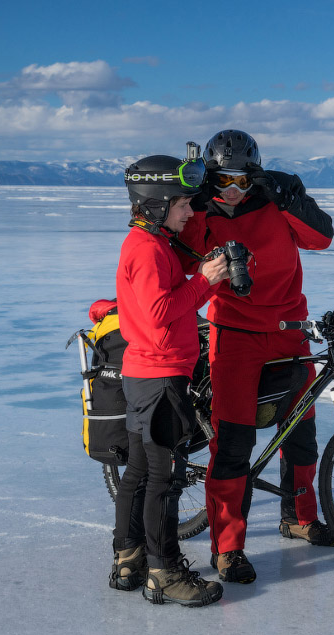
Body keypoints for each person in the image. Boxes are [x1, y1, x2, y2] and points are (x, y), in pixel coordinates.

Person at [176, 129, 334, 584]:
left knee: (300, 432)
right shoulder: (203, 211)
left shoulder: (274, 204)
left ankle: (299, 518)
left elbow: (321, 239)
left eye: (242, 181)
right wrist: (195, 206)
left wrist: (292, 198)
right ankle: (227, 548)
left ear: (256, 178)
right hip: (235, 336)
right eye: (222, 180)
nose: (232, 190)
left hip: (290, 332)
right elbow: (184, 263)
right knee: (233, 444)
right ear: (210, 178)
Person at [110, 154, 230, 607]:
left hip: (146, 373)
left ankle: (129, 560)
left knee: (140, 473)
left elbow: (159, 301)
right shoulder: (146, 249)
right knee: (164, 480)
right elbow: (160, 313)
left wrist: (201, 278)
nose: (190, 212)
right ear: (157, 204)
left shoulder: (150, 243)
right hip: (160, 377)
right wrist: (205, 281)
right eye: (182, 204)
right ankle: (164, 572)